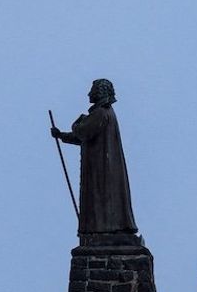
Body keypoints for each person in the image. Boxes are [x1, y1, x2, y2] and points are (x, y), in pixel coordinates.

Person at [50, 79, 138, 235]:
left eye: (92, 90)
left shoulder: (101, 112)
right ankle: (102, 227)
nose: (89, 94)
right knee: (101, 197)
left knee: (102, 196)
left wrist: (77, 123)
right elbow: (84, 137)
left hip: (102, 167)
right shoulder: (104, 112)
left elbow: (82, 132)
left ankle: (104, 228)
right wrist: (61, 135)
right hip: (101, 165)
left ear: (99, 92)